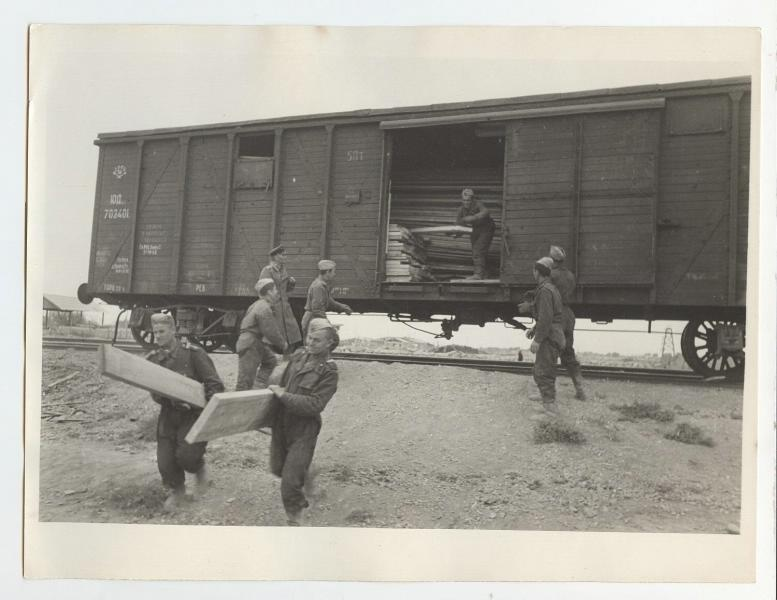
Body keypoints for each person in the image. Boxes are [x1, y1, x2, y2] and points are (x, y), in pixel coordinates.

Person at [146, 312, 225, 512]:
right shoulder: (154, 359)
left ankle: (199, 469)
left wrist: (198, 404)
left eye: (162, 331)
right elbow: (154, 393)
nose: (158, 336)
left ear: (173, 330)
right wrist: (167, 398)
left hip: (193, 415)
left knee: (187, 457)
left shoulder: (193, 354)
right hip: (169, 414)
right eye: (155, 333)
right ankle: (177, 491)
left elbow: (215, 385)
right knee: (165, 461)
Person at [268, 318, 340, 526]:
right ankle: (305, 472)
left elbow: (315, 405)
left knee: (289, 483)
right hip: (282, 423)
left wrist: (283, 396)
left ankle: (296, 517)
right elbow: (280, 383)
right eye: (309, 337)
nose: (310, 342)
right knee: (277, 469)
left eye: (317, 340)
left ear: (329, 344)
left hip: (304, 428)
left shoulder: (329, 371)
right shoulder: (299, 356)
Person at [524, 257, 566, 416]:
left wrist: (537, 340)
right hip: (554, 335)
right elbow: (547, 316)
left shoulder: (544, 291)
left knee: (544, 372)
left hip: (550, 337)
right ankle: (548, 405)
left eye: (534, 270)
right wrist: (534, 329)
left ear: (537, 272)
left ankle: (551, 409)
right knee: (542, 370)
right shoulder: (551, 288)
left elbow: (547, 318)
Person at [548, 245, 588, 400]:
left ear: (552, 259)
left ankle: (549, 393)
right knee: (568, 352)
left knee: (549, 354)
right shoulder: (571, 275)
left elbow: (547, 296)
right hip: (568, 315)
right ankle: (580, 389)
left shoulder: (551, 275)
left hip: (556, 315)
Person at [235, 278, 288, 392]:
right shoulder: (264, 307)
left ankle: (258, 386)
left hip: (254, 342)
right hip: (251, 344)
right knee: (244, 382)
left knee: (270, 361)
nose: (277, 292)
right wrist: (283, 344)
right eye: (275, 290)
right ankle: (239, 404)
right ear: (269, 292)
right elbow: (270, 330)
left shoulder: (257, 304)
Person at [260, 245, 303, 353]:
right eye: (283, 255)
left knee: (292, 334)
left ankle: (286, 360)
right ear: (275, 257)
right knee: (272, 335)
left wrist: (291, 283)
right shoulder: (267, 270)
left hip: (285, 307)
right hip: (274, 307)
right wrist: (268, 307)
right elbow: (262, 290)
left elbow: (286, 290)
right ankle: (268, 358)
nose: (285, 257)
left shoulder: (283, 270)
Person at [300, 259, 352, 337]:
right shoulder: (318, 287)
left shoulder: (321, 285)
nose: (334, 274)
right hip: (312, 320)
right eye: (333, 272)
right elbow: (317, 310)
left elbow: (330, 301)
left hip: (314, 319)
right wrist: (328, 325)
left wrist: (343, 307)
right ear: (327, 272)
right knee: (315, 346)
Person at [455, 187, 495, 280]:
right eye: (464, 200)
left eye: (468, 200)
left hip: (487, 227)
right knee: (476, 250)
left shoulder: (478, 204)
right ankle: (486, 273)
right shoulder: (461, 210)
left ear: (472, 199)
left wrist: (474, 217)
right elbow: (458, 225)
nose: (466, 202)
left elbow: (486, 212)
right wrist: (455, 234)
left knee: (478, 249)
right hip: (476, 229)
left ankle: (478, 275)